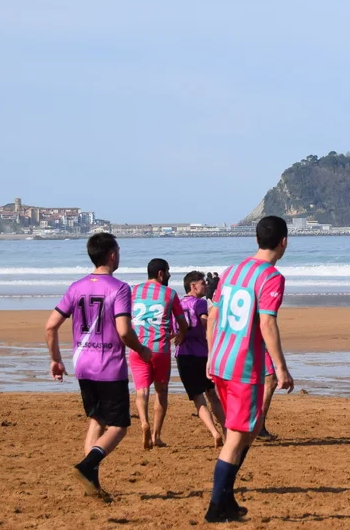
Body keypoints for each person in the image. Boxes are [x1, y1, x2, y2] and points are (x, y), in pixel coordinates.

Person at [44, 232, 153, 497]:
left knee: (97, 419)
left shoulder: (76, 287)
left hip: (83, 365)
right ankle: (87, 465)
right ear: (112, 255)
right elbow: (124, 331)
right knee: (119, 426)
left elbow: (50, 326)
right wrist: (141, 350)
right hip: (109, 367)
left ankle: (91, 482)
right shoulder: (120, 288)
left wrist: (56, 359)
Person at [204, 216, 294, 523]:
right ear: (284, 242)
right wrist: (281, 368)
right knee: (237, 437)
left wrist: (211, 354)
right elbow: (266, 323)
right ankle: (217, 507)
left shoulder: (233, 271)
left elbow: (213, 315)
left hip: (220, 361)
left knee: (246, 431)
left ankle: (227, 499)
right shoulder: (271, 277)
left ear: (257, 239)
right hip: (243, 367)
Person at [130, 258, 188, 449]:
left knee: (141, 391)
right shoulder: (170, 294)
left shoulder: (135, 290)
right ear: (161, 273)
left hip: (138, 347)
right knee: (161, 392)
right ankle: (156, 435)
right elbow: (182, 322)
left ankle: (143, 422)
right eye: (168, 271)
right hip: (159, 349)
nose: (170, 275)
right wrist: (181, 333)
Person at [177, 270, 226, 447]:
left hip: (184, 355)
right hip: (202, 354)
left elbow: (173, 328)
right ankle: (226, 431)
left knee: (198, 398)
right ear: (193, 286)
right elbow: (205, 321)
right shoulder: (199, 303)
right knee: (212, 394)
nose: (206, 285)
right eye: (203, 283)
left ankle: (214, 432)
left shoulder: (178, 303)